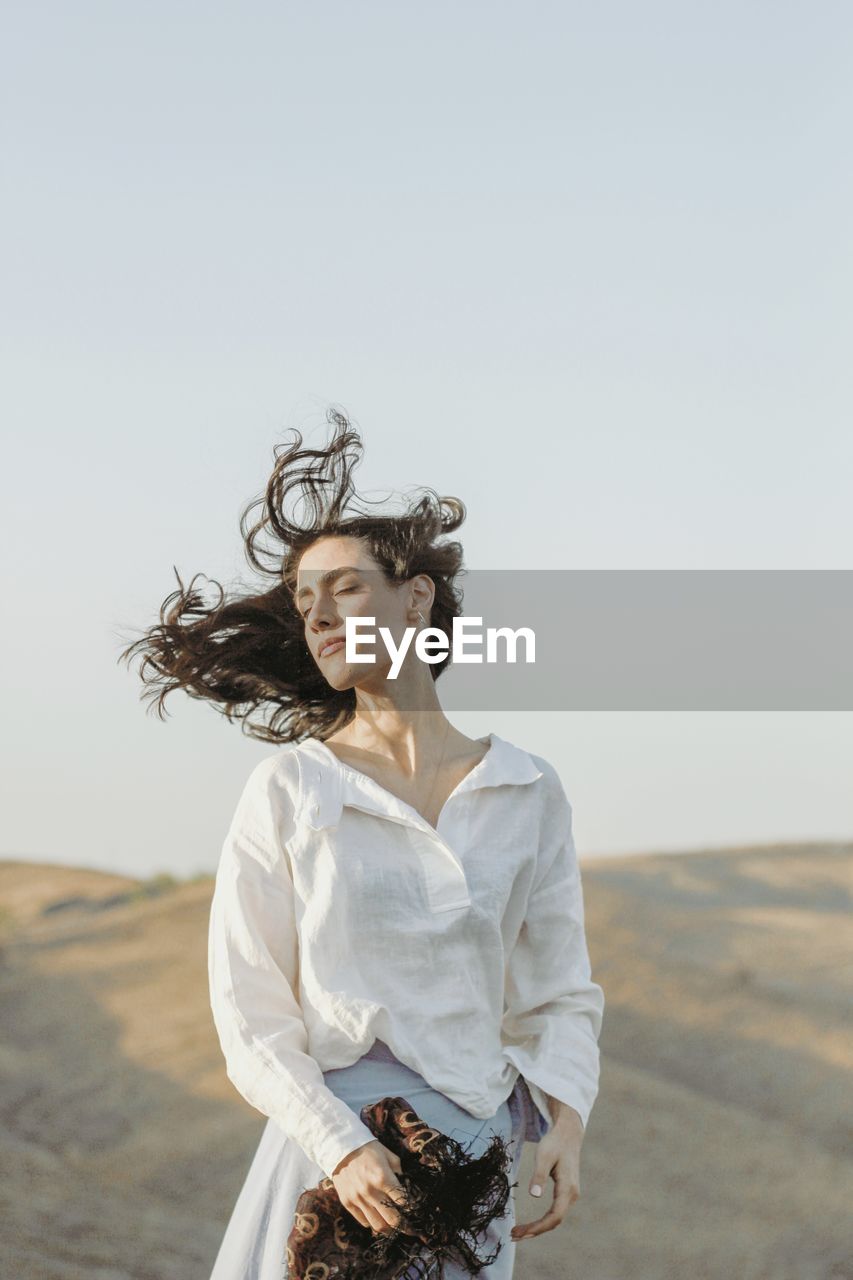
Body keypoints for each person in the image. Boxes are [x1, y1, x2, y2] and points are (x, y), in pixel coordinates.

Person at [120, 409, 605, 1279]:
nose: (317, 615)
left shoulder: (527, 788)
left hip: (476, 1161)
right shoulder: (292, 787)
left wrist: (564, 1118)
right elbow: (249, 1009)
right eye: (305, 602)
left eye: (343, 588)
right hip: (343, 1163)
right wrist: (339, 1148)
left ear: (415, 595)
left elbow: (559, 986)